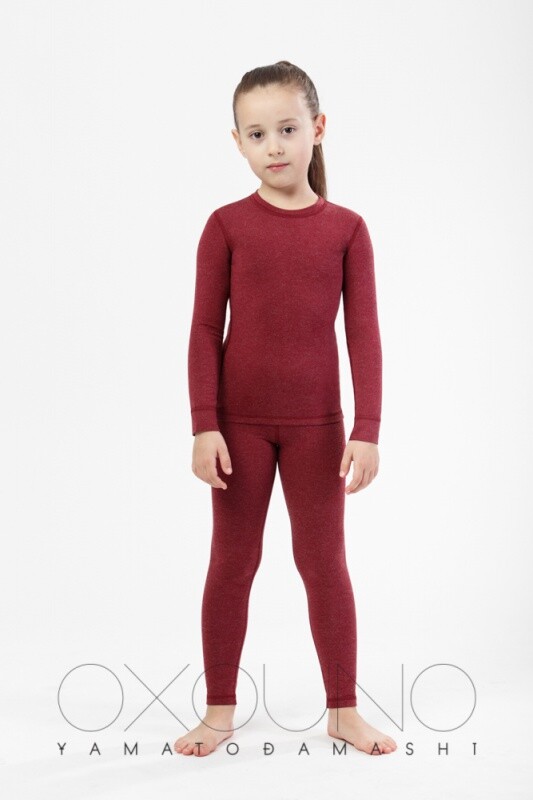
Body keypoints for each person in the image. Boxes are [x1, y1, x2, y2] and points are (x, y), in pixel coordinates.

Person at [174, 60, 397, 758]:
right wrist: (204, 424)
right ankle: (218, 710)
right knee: (231, 563)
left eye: (287, 129)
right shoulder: (225, 226)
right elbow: (203, 329)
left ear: (317, 129)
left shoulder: (347, 230)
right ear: (237, 142)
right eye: (256, 133)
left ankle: (342, 711)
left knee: (323, 564)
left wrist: (367, 429)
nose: (273, 146)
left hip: (318, 432)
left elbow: (362, 333)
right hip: (237, 430)